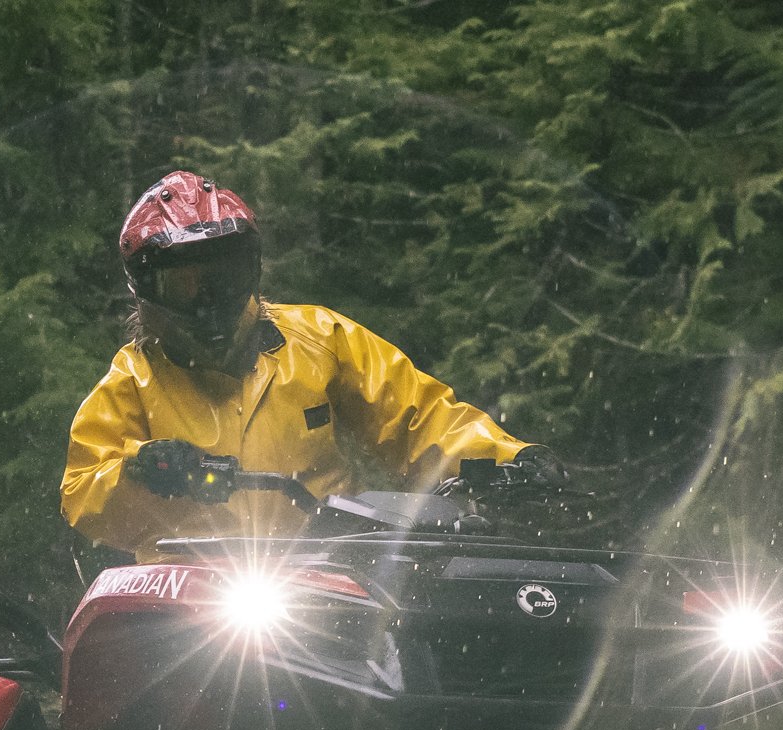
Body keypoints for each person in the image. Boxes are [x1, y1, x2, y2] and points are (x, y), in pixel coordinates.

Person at [61, 170, 564, 556]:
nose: (208, 302)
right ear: (147, 291)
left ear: (252, 271)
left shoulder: (319, 338)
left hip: (323, 576)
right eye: (185, 285)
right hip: (186, 594)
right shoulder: (132, 379)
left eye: (225, 277)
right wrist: (140, 474)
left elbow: (417, 415)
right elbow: (83, 495)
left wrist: (508, 459)